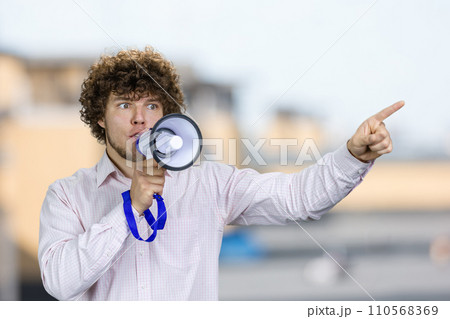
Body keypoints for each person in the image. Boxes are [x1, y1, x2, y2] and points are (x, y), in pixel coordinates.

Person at [38, 46, 404, 301]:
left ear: (166, 116)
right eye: (124, 105)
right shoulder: (67, 195)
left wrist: (352, 157)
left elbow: (299, 198)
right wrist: (128, 209)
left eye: (151, 104)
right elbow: (60, 282)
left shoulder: (208, 184)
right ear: (99, 117)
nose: (139, 118)